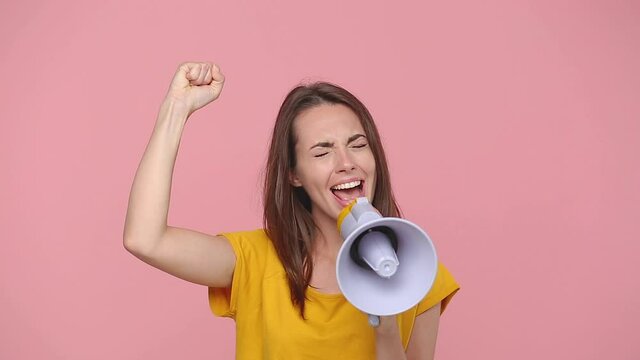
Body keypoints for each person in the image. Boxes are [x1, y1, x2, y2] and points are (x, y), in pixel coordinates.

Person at [123, 62, 460, 360]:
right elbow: (145, 239)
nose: (347, 163)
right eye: (322, 151)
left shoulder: (419, 270)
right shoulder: (256, 261)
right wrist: (176, 109)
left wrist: (386, 327)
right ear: (293, 174)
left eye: (358, 145)